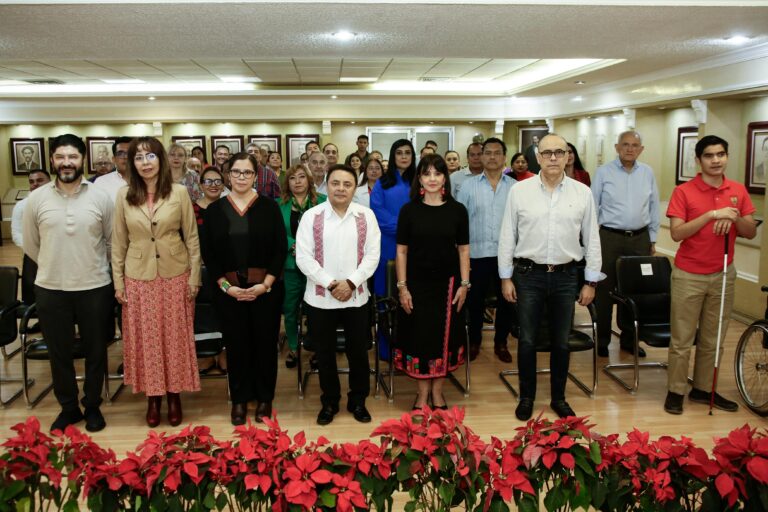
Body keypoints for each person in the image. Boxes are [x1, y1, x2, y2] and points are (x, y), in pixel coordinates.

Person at [498, 133, 603, 421]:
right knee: (528, 340)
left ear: (569, 155)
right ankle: (527, 396)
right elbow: (508, 235)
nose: (554, 158)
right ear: (538, 157)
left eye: (560, 152)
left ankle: (559, 397)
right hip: (528, 275)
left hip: (566, 276)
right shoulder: (520, 191)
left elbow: (592, 239)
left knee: (561, 341)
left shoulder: (582, 193)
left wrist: (591, 281)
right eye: (547, 153)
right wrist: (505, 277)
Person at [23, 134, 114, 433]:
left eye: (72, 157)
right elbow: (31, 244)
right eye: (60, 157)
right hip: (51, 288)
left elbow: (112, 241)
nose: (66, 163)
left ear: (82, 159)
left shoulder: (101, 197)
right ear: (51, 160)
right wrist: (55, 263)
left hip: (95, 285)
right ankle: (68, 407)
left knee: (96, 350)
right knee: (58, 352)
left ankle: (92, 406)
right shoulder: (35, 200)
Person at [112, 136, 202, 428]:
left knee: (174, 337)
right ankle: (153, 398)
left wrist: (195, 278)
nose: (145, 163)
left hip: (176, 274)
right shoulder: (123, 195)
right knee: (147, 340)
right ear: (132, 163)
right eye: (139, 158)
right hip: (138, 277)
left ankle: (174, 395)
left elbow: (191, 237)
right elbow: (118, 242)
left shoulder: (178, 192)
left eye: (150, 157)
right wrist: (118, 282)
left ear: (161, 160)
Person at [664, 135, 757, 415]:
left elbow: (750, 231)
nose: (716, 160)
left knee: (713, 337)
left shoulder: (737, 190)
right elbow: (677, 233)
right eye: (709, 156)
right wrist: (712, 215)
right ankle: (676, 390)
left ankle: (704, 389)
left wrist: (733, 217)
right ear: (698, 160)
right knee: (682, 339)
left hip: (724, 273)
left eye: (721, 154)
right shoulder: (684, 191)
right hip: (688, 274)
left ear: (727, 157)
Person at [201, 152, 286, 425]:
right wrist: (227, 288)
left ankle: (264, 398)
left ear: (255, 176)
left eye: (246, 173)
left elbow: (279, 249)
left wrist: (265, 285)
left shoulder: (269, 207)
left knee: (264, 345)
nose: (240, 177)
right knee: (236, 347)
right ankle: (239, 399)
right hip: (229, 293)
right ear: (228, 175)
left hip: (266, 291)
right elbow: (209, 255)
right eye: (236, 172)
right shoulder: (214, 210)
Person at [295, 164, 381, 426]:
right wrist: (332, 284)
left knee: (358, 352)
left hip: (356, 297)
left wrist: (351, 283)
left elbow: (372, 255)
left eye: (347, 184)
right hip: (320, 299)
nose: (341, 188)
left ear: (355, 188)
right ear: (326, 186)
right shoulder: (312, 216)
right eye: (335, 183)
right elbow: (304, 258)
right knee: (325, 353)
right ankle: (330, 401)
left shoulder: (366, 216)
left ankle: (358, 400)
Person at [395, 154, 469, 409]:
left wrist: (464, 284)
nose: (433, 179)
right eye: (427, 174)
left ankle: (437, 393)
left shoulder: (457, 210)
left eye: (437, 173)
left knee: (443, 340)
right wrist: (402, 287)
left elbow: (463, 250)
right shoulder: (409, 210)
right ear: (420, 179)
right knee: (420, 338)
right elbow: (401, 251)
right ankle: (421, 393)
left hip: (448, 285)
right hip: (415, 285)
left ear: (445, 177)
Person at [591, 130, 660, 358]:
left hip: (639, 239)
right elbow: (593, 207)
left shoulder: (648, 173)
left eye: (635, 145)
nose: (630, 149)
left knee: (635, 291)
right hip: (609, 237)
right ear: (617, 147)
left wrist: (652, 238)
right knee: (604, 290)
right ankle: (601, 339)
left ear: (641, 149)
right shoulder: (603, 172)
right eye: (625, 144)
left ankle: (629, 340)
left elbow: (654, 207)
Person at [457, 137, 517, 363]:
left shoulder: (515, 188)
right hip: (476, 256)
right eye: (487, 153)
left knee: (506, 302)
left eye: (496, 153)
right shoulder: (468, 187)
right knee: (475, 303)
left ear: (504, 157)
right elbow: (460, 223)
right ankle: (474, 341)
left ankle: (501, 342)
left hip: (507, 256)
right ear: (481, 157)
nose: (492, 157)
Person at [279, 164, 326, 369]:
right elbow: (276, 232)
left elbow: (328, 229)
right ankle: (292, 346)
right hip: (291, 266)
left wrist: (308, 246)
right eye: (292, 178)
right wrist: (293, 245)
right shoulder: (279, 205)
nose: (297, 181)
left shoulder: (323, 202)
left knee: (315, 309)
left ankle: (316, 348)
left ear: (309, 180)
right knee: (290, 309)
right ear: (287, 183)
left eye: (301, 177)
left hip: (318, 266)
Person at [370, 139, 416, 297]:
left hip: (415, 242)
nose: (404, 156)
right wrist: (403, 228)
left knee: (412, 285)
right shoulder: (382, 182)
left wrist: (412, 230)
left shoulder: (420, 182)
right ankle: (383, 318)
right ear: (392, 156)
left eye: (408, 153)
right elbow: (377, 211)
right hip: (388, 241)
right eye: (399, 153)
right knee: (386, 286)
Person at [12, 170, 51, 308]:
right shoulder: (21, 206)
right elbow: (16, 234)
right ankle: (39, 321)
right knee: (33, 290)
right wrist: (34, 249)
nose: (35, 184)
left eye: (40, 180)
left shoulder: (59, 202)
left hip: (58, 254)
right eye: (31, 181)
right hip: (32, 255)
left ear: (50, 181)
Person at [94, 136, 132, 203]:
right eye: (120, 154)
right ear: (113, 159)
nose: (126, 157)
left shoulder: (145, 180)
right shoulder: (101, 182)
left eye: (130, 153)